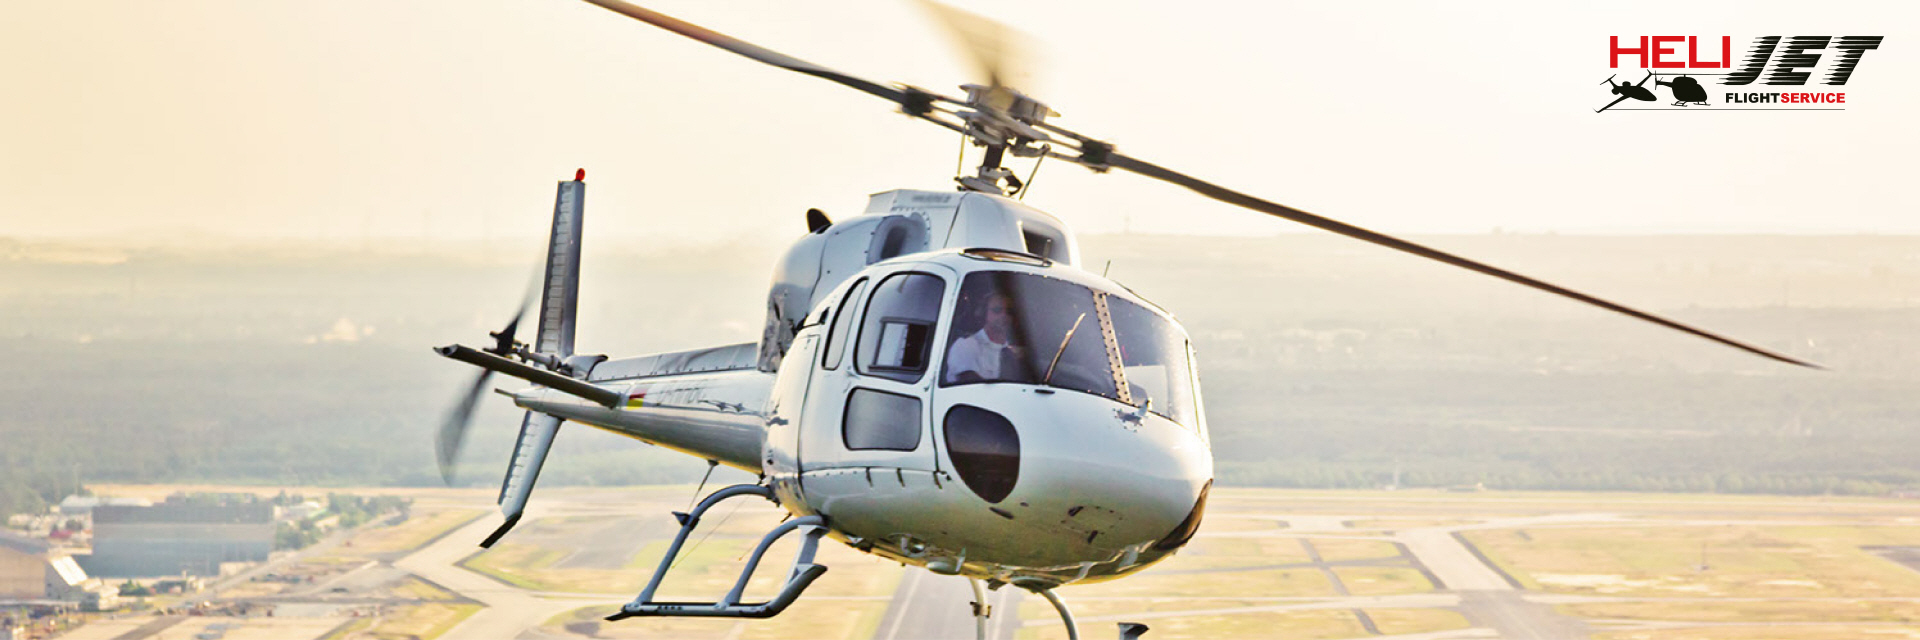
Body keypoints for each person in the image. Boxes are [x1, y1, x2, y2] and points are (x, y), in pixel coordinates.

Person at [945, 292, 1018, 383]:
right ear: (984, 314)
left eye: (1009, 312)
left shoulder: (1010, 353)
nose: (1004, 315)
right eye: (997, 310)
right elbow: (970, 385)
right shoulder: (966, 345)